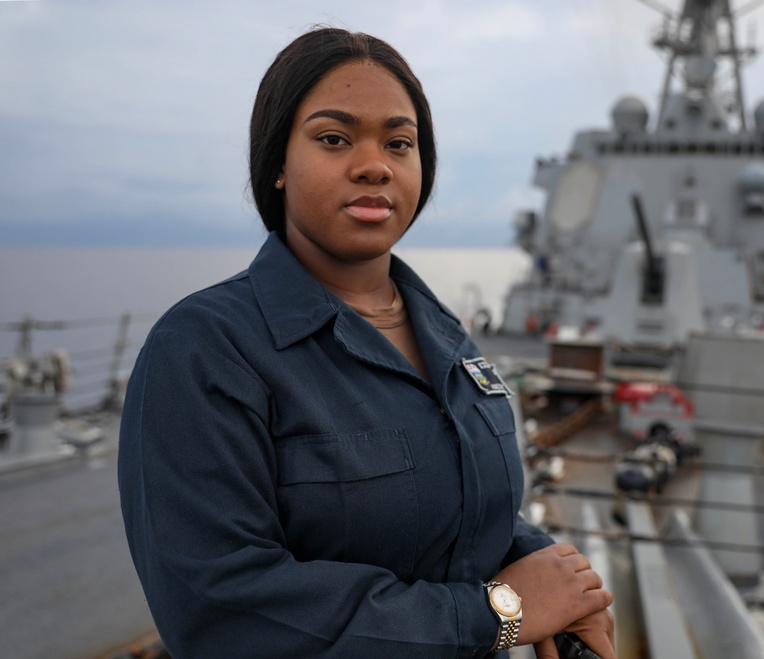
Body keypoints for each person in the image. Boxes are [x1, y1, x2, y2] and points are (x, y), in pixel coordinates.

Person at [118, 27, 615, 659]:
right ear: (276, 164)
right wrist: (498, 613)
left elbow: (448, 503)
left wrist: (551, 572)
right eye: (334, 138)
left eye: (399, 143)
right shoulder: (205, 348)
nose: (375, 164)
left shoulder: (446, 335)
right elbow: (222, 611)